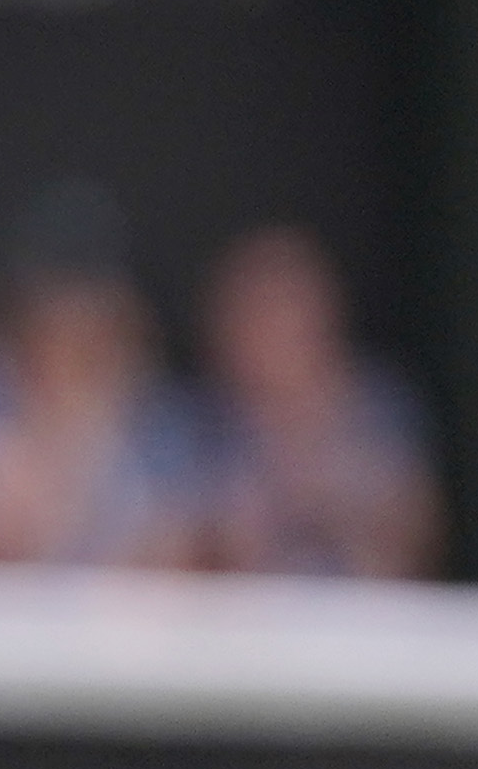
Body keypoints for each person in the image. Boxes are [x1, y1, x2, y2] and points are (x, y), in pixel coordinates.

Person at [0, 187, 210, 567]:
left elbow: (178, 565)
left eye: (93, 296)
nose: (70, 316)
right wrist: (57, 419)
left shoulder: (162, 417)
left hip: (110, 624)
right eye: (51, 293)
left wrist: (96, 411)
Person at [184, 224, 438, 577]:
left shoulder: (377, 407)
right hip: (242, 623)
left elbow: (415, 539)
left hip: (359, 621)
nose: (266, 331)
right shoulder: (197, 421)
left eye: (279, 308)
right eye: (251, 311)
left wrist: (329, 501)